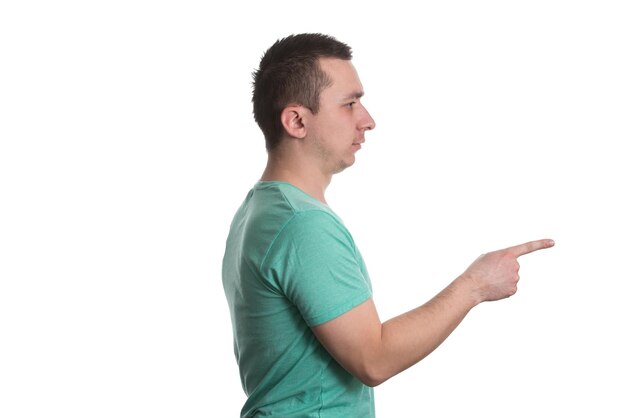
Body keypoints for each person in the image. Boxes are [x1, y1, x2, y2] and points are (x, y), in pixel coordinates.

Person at [221, 33, 554, 418]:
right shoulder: (302, 225)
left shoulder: (260, 210)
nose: (368, 120)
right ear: (296, 120)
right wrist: (475, 285)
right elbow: (373, 359)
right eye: (349, 104)